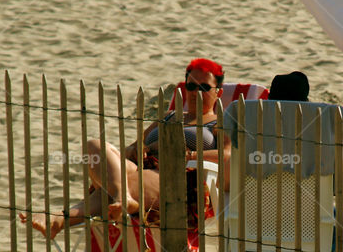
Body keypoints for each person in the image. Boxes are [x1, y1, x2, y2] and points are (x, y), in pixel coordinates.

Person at [20, 58, 229, 238]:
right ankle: (123, 199)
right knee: (94, 146)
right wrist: (136, 150)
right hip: (142, 167)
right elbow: (134, 146)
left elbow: (227, 155)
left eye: (204, 88)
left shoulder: (220, 122)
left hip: (180, 177)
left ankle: (61, 218)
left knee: (114, 186)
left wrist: (188, 154)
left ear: (218, 93)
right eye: (191, 87)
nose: (195, 93)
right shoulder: (169, 117)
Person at [266, 71, 343, 197]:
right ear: (305, 106)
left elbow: (229, 181)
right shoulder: (320, 140)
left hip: (256, 215)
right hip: (311, 215)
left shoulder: (250, 138)